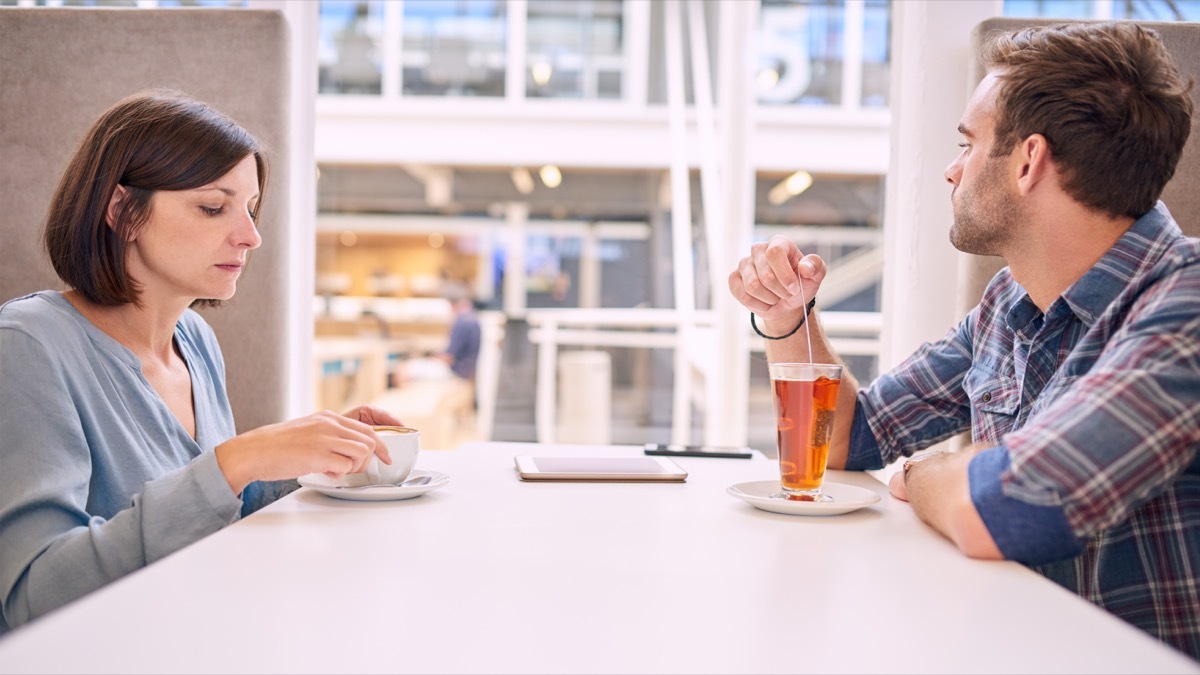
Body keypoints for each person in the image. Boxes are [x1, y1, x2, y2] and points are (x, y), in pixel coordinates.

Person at [729, 22, 1198, 658]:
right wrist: (791, 316)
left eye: (968, 144)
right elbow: (845, 438)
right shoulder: (1010, 302)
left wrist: (926, 473)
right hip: (1007, 644)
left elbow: (1014, 505)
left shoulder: (1186, 301)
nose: (951, 171)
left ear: (1029, 161)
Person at [0, 90, 404, 632]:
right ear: (122, 211)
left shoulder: (194, 339)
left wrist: (312, 452)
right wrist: (236, 461)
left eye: (251, 209)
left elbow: (210, 507)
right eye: (214, 207)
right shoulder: (28, 346)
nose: (251, 236)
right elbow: (32, 595)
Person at [436, 283, 481, 382]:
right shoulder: (473, 318)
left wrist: (432, 358)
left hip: (457, 372)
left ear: (452, 304)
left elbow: (449, 358)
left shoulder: (462, 322)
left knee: (404, 370)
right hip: (466, 372)